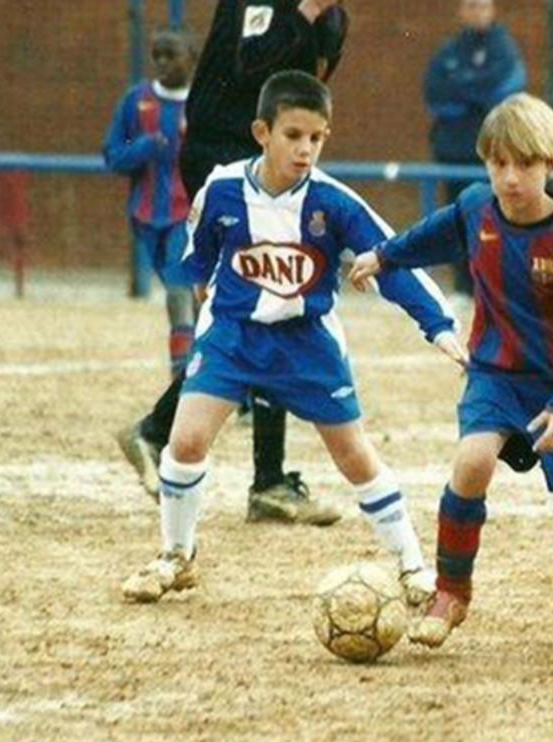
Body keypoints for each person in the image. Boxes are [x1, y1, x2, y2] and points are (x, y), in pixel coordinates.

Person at [120, 70, 465, 606]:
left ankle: (412, 566)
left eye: (316, 137)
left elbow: (392, 260)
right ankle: (175, 556)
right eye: (293, 135)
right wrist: (206, 288)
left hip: (307, 342)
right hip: (234, 334)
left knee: (354, 455)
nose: (306, 149)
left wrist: (438, 326)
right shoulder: (222, 189)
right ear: (262, 132)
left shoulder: (334, 202)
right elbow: (199, 250)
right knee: (185, 441)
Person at [349, 93, 553, 656]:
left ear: (552, 164)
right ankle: (450, 594)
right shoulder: (476, 207)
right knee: (471, 463)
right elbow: (433, 235)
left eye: (525, 163)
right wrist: (385, 255)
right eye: (498, 163)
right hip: (497, 375)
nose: (510, 177)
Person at [116, 0, 351, 525]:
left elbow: (305, 96)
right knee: (267, 305)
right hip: (222, 155)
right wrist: (304, 15)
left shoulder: (332, 17)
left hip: (268, 162)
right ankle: (258, 477)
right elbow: (250, 65)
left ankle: (187, 443)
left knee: (274, 305)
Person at [104, 28, 199, 379]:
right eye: (156, 55)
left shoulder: (203, 102)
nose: (161, 62)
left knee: (179, 287)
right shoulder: (136, 101)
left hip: (190, 216)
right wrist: (143, 147)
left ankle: (181, 378)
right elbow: (114, 156)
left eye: (170, 55)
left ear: (191, 59)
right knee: (186, 295)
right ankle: (211, 367)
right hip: (146, 216)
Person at [424, 0, 526, 299]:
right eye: (471, 6)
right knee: (458, 218)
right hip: (453, 150)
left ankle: (496, 288)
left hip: (494, 151)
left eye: (482, 6)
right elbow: (435, 92)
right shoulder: (449, 51)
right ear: (461, 11)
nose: (477, 12)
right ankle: (463, 286)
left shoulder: (505, 50)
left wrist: (464, 87)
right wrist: (473, 92)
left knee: (496, 219)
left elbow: (502, 91)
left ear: (492, 10)